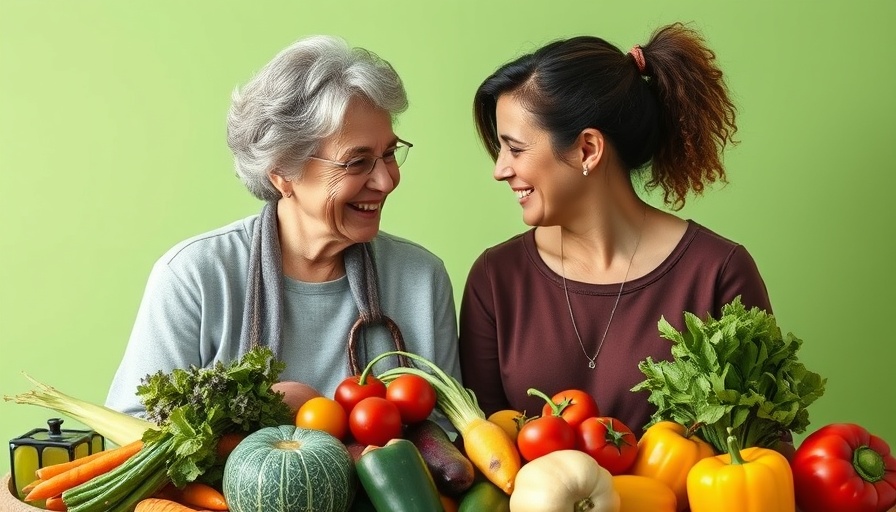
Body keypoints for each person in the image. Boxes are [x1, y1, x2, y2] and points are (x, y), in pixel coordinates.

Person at [106, 35, 460, 417]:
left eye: (389, 154)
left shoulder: (421, 280)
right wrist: (249, 419)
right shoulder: (195, 278)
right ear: (282, 171)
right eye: (357, 162)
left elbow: (446, 435)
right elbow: (134, 432)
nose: (386, 181)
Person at [459, 23, 772, 435]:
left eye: (515, 149)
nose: (500, 170)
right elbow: (482, 448)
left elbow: (760, 446)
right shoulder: (495, 278)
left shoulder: (719, 272)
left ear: (588, 149)